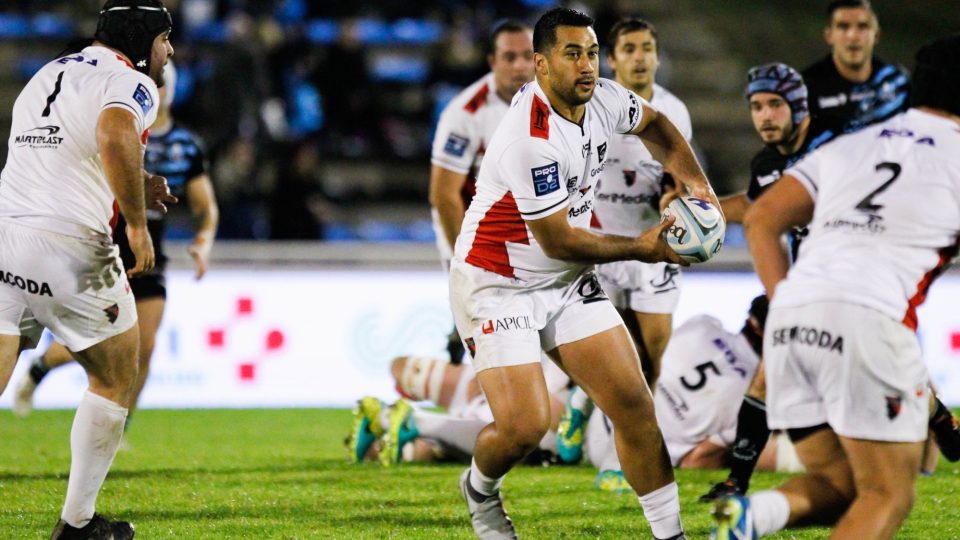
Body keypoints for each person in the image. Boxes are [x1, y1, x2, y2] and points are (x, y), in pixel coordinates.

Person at [449, 8, 717, 540]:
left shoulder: (606, 99)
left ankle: (672, 536)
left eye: (592, 52)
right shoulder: (531, 138)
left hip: (565, 282)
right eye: (573, 54)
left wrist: (696, 185)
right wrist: (644, 247)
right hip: (499, 284)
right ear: (541, 66)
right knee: (525, 427)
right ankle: (479, 492)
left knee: (636, 407)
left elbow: (658, 126)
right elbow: (559, 238)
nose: (588, 65)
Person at [712, 35, 960, 539]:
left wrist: (784, 303)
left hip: (790, 327)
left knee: (841, 483)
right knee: (888, 494)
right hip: (868, 319)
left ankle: (753, 515)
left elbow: (760, 219)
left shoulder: (855, 143)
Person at [0, 1, 175, 537]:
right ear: (142, 41)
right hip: (70, 244)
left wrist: (132, 183)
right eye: (165, 39)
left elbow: (65, 149)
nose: (169, 51)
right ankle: (77, 524)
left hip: (7, 236)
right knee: (117, 372)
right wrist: (138, 225)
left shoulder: (49, 72)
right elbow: (114, 133)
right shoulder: (133, 82)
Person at [11, 61, 219, 430]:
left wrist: (203, 243)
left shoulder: (185, 145)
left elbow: (206, 207)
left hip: (152, 249)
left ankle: (118, 427)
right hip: (104, 243)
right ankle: (43, 366)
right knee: (104, 341)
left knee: (146, 346)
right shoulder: (111, 123)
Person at [556, 15, 693, 471]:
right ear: (612, 60)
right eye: (629, 50)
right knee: (610, 359)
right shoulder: (595, 108)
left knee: (654, 360)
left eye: (646, 48)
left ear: (656, 56)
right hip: (607, 247)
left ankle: (612, 439)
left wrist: (677, 198)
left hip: (656, 248)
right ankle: (597, 429)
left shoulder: (674, 112)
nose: (639, 58)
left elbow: (678, 178)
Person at [581, 296, 806, 493]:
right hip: (633, 467)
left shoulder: (702, 323)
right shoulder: (755, 399)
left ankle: (579, 401)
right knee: (760, 445)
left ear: (751, 321)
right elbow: (695, 462)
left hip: (600, 425)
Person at [430, 20, 534, 364]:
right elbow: (444, 194)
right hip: (473, 231)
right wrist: (467, 259)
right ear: (492, 61)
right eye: (509, 57)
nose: (519, 65)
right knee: (491, 333)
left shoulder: (551, 102)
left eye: (527, 56)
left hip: (524, 228)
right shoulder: (466, 112)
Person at [802, 0, 909, 133]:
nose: (853, 36)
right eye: (843, 26)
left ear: (876, 35)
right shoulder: (805, 90)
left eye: (863, 27)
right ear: (829, 36)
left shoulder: (896, 81)